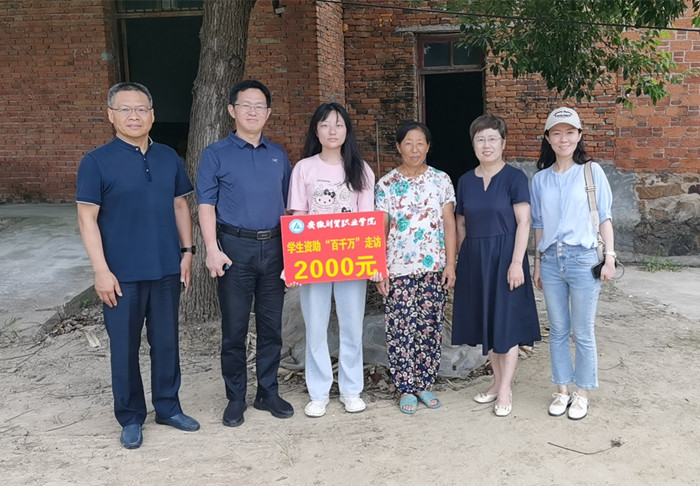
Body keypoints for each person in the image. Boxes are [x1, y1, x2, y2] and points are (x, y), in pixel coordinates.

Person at [76, 82, 200, 450]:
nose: (134, 116)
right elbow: (87, 219)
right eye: (125, 109)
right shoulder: (96, 161)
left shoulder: (168, 157)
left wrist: (188, 251)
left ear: (152, 115)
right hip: (121, 275)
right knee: (124, 348)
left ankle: (168, 407)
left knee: (166, 343)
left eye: (141, 109)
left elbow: (180, 205)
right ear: (110, 115)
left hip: (165, 268)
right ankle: (131, 417)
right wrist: (101, 270)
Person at [197, 79, 294, 427]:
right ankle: (235, 397)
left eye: (259, 106)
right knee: (234, 329)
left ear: (268, 113)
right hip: (234, 249)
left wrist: (293, 255)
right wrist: (212, 249)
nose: (252, 112)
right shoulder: (215, 154)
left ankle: (267, 392)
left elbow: (290, 208)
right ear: (231, 110)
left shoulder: (278, 154)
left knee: (271, 328)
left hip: (275, 248)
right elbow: (206, 205)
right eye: (245, 105)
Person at [286, 102, 377, 418]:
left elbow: (367, 220)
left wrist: (374, 263)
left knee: (352, 326)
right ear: (316, 130)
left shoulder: (361, 170)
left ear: (347, 130)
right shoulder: (304, 169)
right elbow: (298, 217)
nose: (332, 131)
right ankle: (319, 392)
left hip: (351, 258)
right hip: (314, 259)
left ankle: (351, 390)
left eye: (338, 124)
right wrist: (293, 263)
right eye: (325, 125)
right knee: (315, 326)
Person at [451, 114, 541, 417]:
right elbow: (461, 224)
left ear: (503, 143)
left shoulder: (515, 178)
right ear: (473, 144)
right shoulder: (465, 181)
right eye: (480, 139)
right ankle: (495, 382)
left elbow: (524, 222)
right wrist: (462, 259)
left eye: (492, 138)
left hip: (506, 256)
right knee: (487, 323)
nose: (486, 145)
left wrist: (517, 263)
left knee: (507, 324)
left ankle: (505, 388)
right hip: (475, 257)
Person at [531, 107, 616, 420]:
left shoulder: (592, 172)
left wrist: (610, 257)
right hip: (552, 260)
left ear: (579, 136)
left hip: (583, 258)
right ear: (548, 138)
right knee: (557, 329)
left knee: (582, 331)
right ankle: (562, 389)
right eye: (557, 133)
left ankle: (582, 393)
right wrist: (538, 264)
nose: (563, 139)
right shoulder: (540, 180)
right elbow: (539, 224)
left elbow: (604, 217)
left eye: (569, 132)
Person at [375, 121, 457, 414]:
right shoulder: (386, 184)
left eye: (420, 143)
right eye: (408, 143)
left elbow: (449, 224)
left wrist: (450, 264)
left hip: (433, 267)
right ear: (398, 147)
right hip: (398, 268)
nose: (414, 149)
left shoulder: (441, 180)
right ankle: (405, 387)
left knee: (429, 327)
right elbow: (380, 229)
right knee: (400, 328)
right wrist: (379, 269)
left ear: (428, 147)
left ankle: (424, 384)